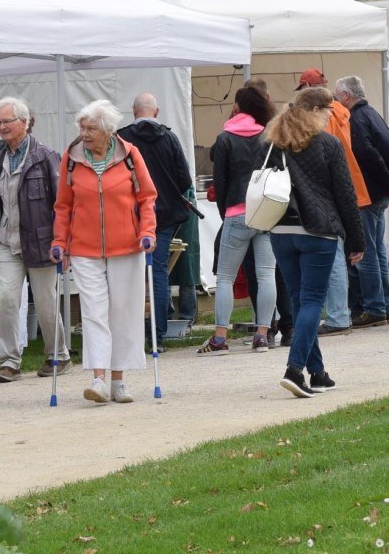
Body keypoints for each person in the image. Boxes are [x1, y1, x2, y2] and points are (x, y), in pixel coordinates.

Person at [51, 100, 158, 404]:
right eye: (81, 128)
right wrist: (60, 241)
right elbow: (63, 205)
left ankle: (119, 381)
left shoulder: (129, 156)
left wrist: (147, 231)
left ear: (108, 130)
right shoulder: (71, 159)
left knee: (123, 312)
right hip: (84, 249)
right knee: (94, 312)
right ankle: (98, 380)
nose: (84, 134)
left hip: (127, 246)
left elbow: (147, 197)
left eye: (91, 128)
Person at [263, 88, 365, 398]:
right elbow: (346, 196)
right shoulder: (328, 145)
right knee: (311, 302)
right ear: (317, 110)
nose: (331, 117)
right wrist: (356, 240)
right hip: (318, 231)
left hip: (280, 229)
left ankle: (318, 373)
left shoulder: (274, 144)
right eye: (328, 111)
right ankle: (294, 369)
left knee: (300, 300)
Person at [0, 97, 66, 381]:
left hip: (41, 241)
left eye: (7, 121)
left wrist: (62, 242)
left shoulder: (45, 156)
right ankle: (9, 362)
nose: (2, 127)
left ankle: (57, 355)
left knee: (46, 302)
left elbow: (61, 203)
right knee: (7, 299)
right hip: (8, 241)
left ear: (24, 122)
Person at [199, 87, 280, 354]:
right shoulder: (268, 136)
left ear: (238, 107)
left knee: (225, 277)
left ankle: (220, 338)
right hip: (265, 212)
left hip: (236, 213)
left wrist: (225, 213)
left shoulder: (224, 138)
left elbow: (219, 181)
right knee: (267, 274)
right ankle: (262, 335)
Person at [116, 93, 195, 342]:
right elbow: (185, 180)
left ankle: (129, 335)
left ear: (134, 111)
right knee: (158, 271)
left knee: (128, 273)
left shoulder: (122, 138)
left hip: (130, 214)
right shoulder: (169, 138)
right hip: (165, 215)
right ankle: (158, 335)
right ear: (157, 112)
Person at [335, 76, 389, 329]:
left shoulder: (355, 119)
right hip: (379, 193)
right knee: (378, 251)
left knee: (365, 252)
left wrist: (386, 182)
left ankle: (373, 308)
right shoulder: (373, 114)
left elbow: (366, 155)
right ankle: (383, 306)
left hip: (367, 193)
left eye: (337, 96)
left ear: (347, 96)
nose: (335, 101)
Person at [313, 75, 372, 335]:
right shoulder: (343, 115)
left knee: (335, 258)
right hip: (347, 188)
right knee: (343, 256)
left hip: (326, 195)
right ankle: (345, 312)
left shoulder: (325, 125)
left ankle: (338, 315)